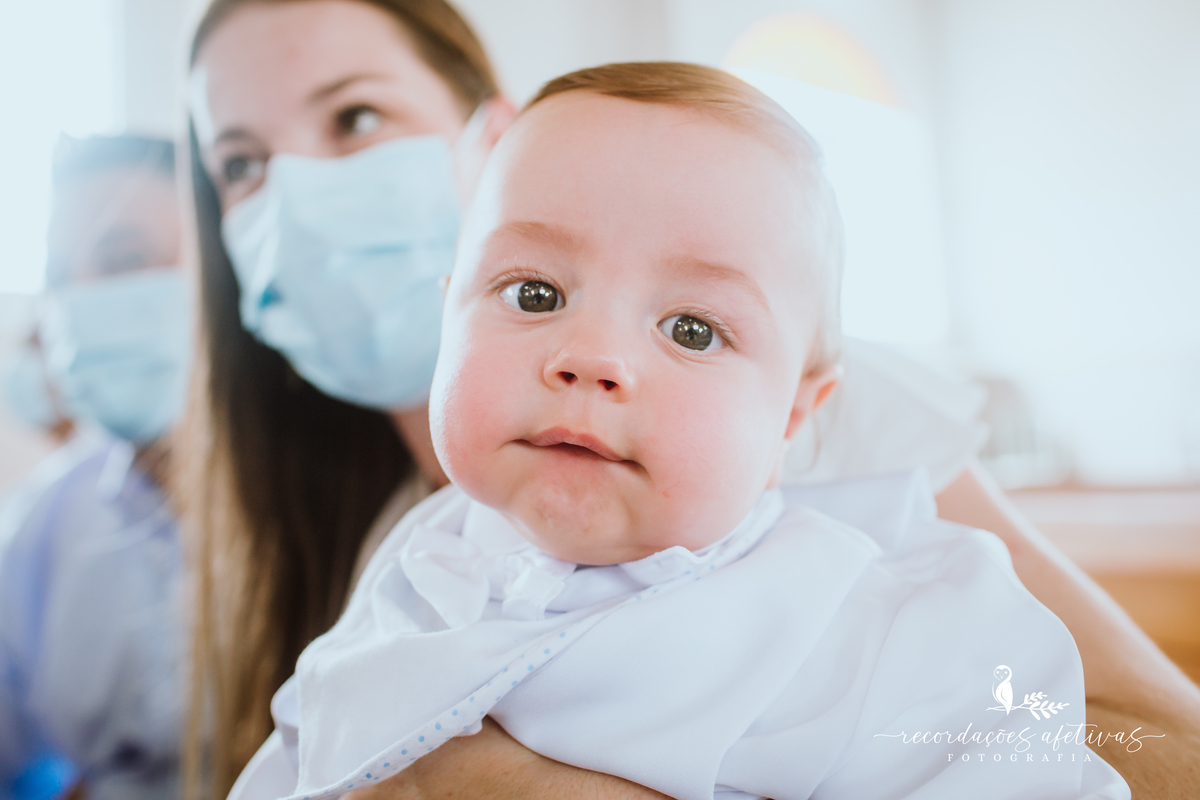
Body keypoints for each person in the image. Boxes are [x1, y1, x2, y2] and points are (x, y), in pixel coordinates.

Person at [184, 1, 1200, 798]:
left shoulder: (872, 604)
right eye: (242, 161)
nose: (591, 357)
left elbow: (1138, 754)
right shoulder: (413, 554)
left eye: (355, 117)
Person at [0, 135, 191, 800]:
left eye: (125, 259)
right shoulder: (44, 525)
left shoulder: (349, 510)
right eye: (59, 276)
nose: (80, 300)